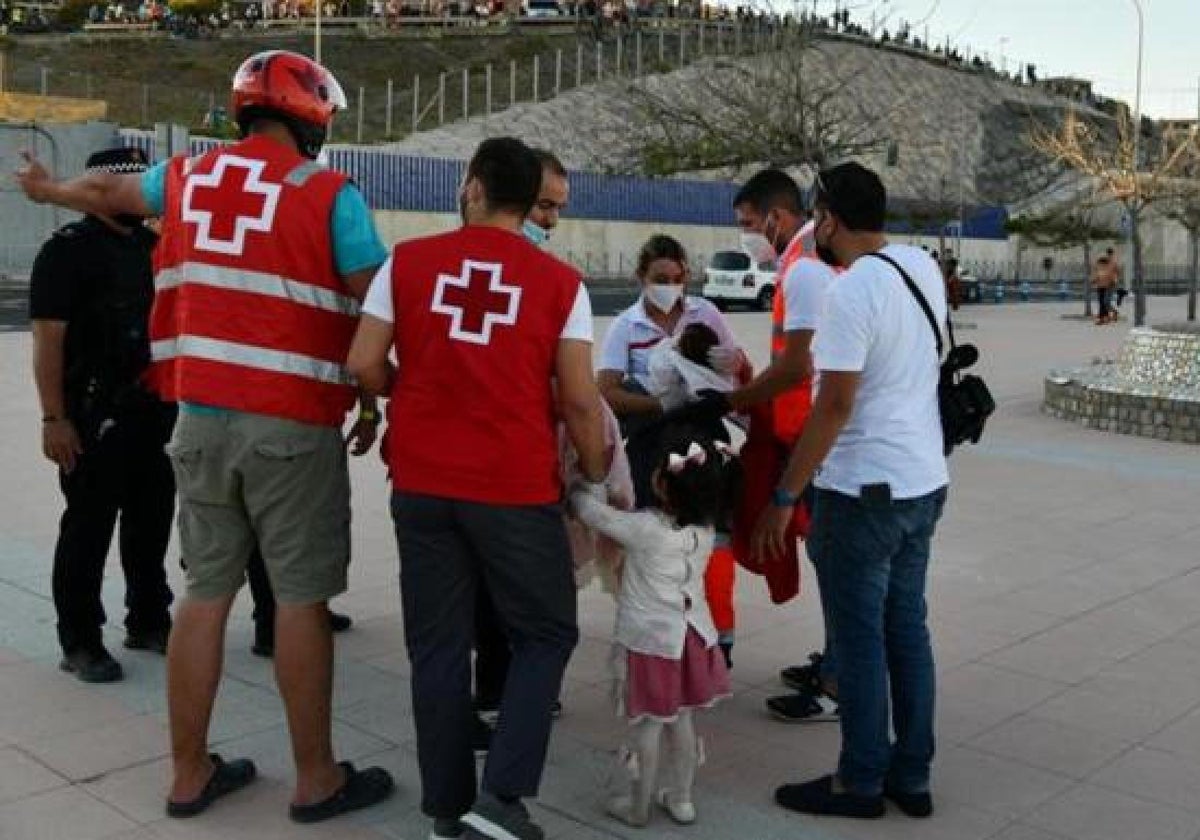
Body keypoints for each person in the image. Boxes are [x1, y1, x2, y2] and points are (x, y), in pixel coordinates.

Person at [16, 50, 395, 821]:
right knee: (298, 599)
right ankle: (317, 778)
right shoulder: (329, 195)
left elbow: (106, 190)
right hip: (289, 426)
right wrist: (373, 399)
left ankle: (189, 775)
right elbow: (379, 311)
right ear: (312, 116)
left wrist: (50, 189)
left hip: (196, 420)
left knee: (204, 593)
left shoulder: (185, 178)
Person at [347, 136, 607, 840]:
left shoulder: (406, 264)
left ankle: (445, 811)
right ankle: (503, 797)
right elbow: (581, 401)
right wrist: (600, 473)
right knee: (545, 631)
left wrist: (411, 394)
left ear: (472, 187)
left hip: (423, 484)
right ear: (530, 203)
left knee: (437, 646)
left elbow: (364, 363)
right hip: (513, 489)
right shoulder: (561, 286)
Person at [754, 162, 949, 820]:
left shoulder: (851, 291)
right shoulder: (919, 267)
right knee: (907, 631)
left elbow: (833, 405)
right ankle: (911, 776)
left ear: (829, 218)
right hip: (923, 483)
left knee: (861, 640)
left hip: (861, 490)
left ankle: (860, 780)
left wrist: (785, 495)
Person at [28, 146, 176, 685]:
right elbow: (48, 341)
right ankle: (81, 639)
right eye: (129, 183)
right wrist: (54, 419)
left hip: (153, 411)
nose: (139, 194)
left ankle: (149, 619)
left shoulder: (152, 246)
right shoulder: (66, 252)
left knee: (151, 520)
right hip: (91, 416)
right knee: (88, 529)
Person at [569, 431, 731, 829]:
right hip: (694, 638)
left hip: (651, 642)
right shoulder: (706, 533)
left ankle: (638, 807)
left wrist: (578, 487)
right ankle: (682, 800)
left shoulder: (644, 529)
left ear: (661, 484)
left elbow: (593, 513)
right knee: (683, 720)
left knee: (648, 724)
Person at [596, 234, 743, 665]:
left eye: (678, 278)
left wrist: (725, 369)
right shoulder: (627, 325)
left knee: (713, 544)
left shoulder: (706, 313)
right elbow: (605, 391)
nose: (670, 286)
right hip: (652, 445)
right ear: (642, 277)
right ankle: (661, 640)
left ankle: (719, 642)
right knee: (655, 545)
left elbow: (734, 368)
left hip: (705, 439)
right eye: (661, 278)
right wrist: (660, 403)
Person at [726, 169, 840, 724]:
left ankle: (838, 683)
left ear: (776, 216)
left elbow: (799, 365)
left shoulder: (806, 270)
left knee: (836, 563)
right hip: (807, 433)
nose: (747, 236)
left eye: (749, 224)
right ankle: (839, 661)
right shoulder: (805, 263)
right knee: (831, 560)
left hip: (815, 440)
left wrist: (739, 398)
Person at [471, 147, 572, 752]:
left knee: (511, 585)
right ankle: (497, 696)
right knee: (499, 587)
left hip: (514, 455)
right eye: (543, 207)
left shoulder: (546, 273)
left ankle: (507, 691)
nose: (551, 221)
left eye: (558, 209)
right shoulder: (535, 275)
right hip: (498, 464)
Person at [1092, 253, 1118, 324]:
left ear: (1104, 263)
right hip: (1100, 287)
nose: (1099, 265)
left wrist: (1113, 283)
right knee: (1101, 303)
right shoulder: (1099, 269)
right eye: (1099, 263)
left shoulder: (1109, 269)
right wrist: (1094, 281)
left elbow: (1113, 278)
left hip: (1108, 287)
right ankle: (1103, 318)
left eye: (1100, 263)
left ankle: (1106, 317)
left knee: (1105, 302)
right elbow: (1096, 277)